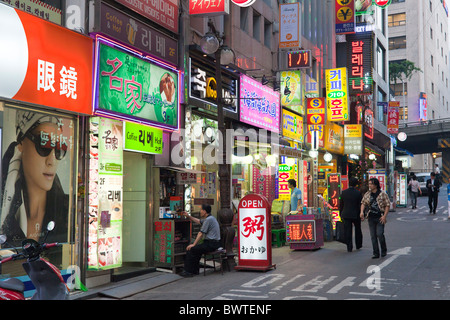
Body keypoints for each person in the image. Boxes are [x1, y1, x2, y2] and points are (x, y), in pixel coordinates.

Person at [0, 110, 69, 247]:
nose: (52, 160)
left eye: (59, 149)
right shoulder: (4, 204)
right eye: (44, 145)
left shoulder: (67, 212)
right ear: (21, 144)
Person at [180, 204, 221, 277]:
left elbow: (200, 233)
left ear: (204, 211)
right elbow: (199, 221)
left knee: (191, 249)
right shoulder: (210, 218)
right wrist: (188, 216)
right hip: (212, 243)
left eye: (201, 210)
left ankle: (188, 271)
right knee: (196, 251)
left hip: (211, 244)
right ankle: (195, 271)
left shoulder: (209, 219)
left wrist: (194, 244)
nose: (200, 211)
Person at [360, 178, 390, 259]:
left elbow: (387, 205)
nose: (369, 185)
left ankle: (384, 250)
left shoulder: (382, 194)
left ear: (375, 185)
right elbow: (363, 203)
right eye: (369, 184)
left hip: (380, 217)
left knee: (379, 234)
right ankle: (376, 252)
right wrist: (362, 212)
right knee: (373, 236)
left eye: (371, 184)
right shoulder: (368, 194)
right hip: (371, 217)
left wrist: (384, 216)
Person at [339, 177, 363, 252]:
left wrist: (341, 214)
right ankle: (358, 245)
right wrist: (362, 213)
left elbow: (341, 205)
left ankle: (349, 247)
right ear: (356, 184)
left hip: (346, 213)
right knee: (358, 229)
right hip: (356, 214)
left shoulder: (344, 192)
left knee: (348, 230)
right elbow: (360, 204)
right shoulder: (358, 193)